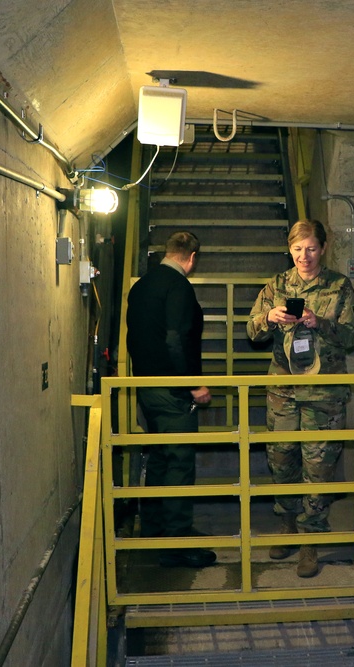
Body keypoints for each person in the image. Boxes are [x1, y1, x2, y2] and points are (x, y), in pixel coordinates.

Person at [247, 219, 354, 578]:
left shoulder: (339, 286)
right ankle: (287, 526)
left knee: (319, 467)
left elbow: (351, 336)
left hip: (323, 395)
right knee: (282, 461)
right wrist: (269, 316)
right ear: (289, 249)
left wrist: (318, 323)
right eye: (297, 249)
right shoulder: (277, 285)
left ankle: (311, 539)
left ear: (323, 248)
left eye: (311, 248)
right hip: (283, 391)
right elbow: (251, 332)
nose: (304, 256)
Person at [126, 230, 215, 568]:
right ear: (192, 257)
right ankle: (176, 544)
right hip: (173, 390)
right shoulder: (178, 287)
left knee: (160, 460)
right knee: (178, 463)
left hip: (146, 388)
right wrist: (193, 384)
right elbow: (176, 338)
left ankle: (153, 531)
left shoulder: (141, 286)